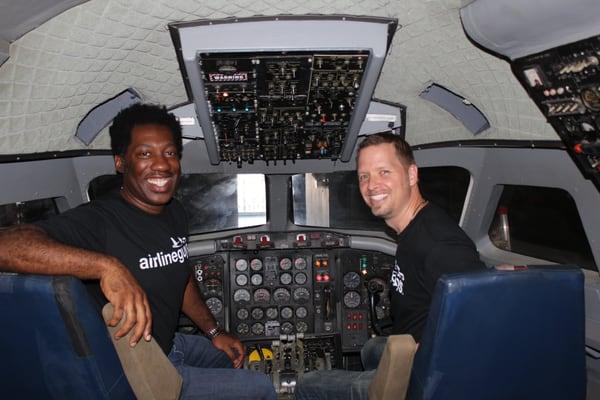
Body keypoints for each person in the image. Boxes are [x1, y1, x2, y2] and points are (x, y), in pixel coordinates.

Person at [0, 103, 276, 400]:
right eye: (145, 154)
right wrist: (107, 267)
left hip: (166, 345)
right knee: (260, 389)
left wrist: (213, 332)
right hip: (133, 368)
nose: (162, 165)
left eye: (169, 153)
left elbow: (179, 275)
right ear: (121, 163)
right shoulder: (100, 219)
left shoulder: (174, 212)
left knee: (230, 356)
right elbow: (6, 246)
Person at [295, 132, 486, 400]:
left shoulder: (439, 244)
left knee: (307, 384)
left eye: (384, 172)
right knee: (370, 349)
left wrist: (427, 357)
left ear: (411, 175)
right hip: (407, 345)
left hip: (420, 375)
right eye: (364, 176)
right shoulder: (414, 227)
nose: (372, 185)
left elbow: (478, 322)